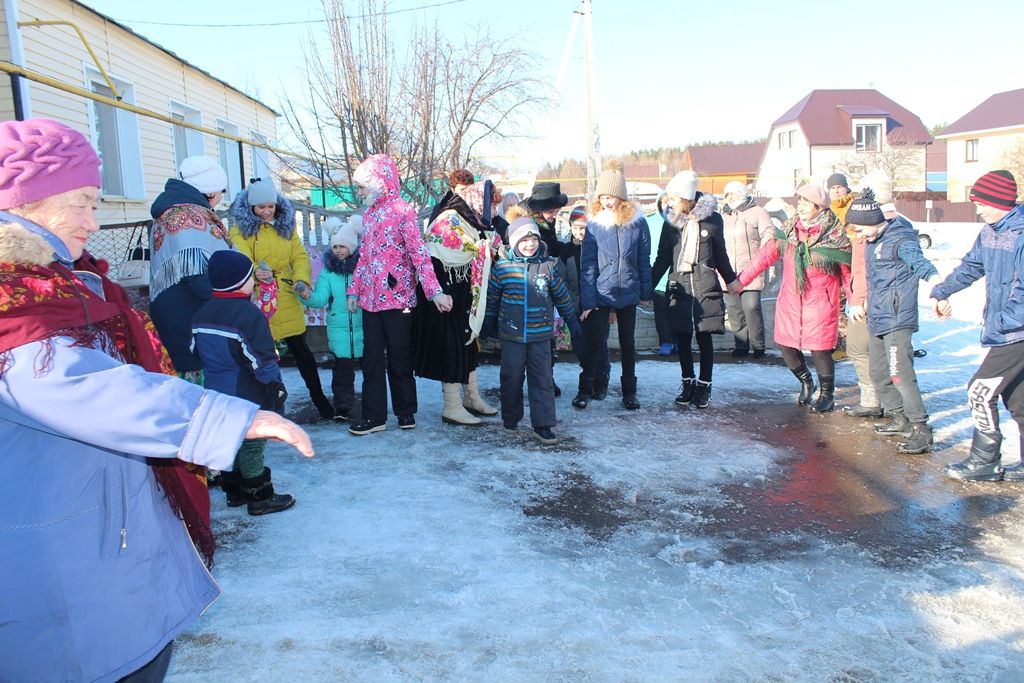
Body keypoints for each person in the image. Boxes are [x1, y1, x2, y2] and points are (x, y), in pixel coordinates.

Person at [0, 118, 313, 682]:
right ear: (28, 203)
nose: (93, 222)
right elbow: (82, 386)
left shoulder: (67, 283)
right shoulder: (16, 303)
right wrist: (227, 415)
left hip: (92, 526)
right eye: (81, 203)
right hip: (56, 554)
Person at [346, 154, 453, 435]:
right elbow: (364, 259)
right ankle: (374, 416)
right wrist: (353, 290)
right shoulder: (368, 216)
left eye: (362, 187)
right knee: (371, 359)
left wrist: (435, 292)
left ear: (378, 183)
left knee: (399, 357)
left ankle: (406, 411)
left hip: (398, 299)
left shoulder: (403, 211)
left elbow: (419, 253)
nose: (359, 194)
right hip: (370, 301)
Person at [931, 170, 1024, 481]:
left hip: (1017, 332)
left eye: (982, 203)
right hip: (1006, 330)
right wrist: (943, 290)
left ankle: (984, 462)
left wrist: (1000, 322)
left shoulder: (1021, 234)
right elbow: (972, 266)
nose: (978, 209)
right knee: (1017, 398)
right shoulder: (989, 232)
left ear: (1000, 201)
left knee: (979, 391)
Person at [729, 183, 852, 412]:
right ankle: (806, 381)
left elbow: (847, 273)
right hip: (791, 300)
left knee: (820, 350)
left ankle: (827, 394)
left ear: (819, 207)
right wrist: (740, 281)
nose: (802, 206)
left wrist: (858, 302)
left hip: (821, 301)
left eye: (807, 202)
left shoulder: (835, 236)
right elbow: (763, 257)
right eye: (800, 201)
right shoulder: (788, 231)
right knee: (786, 346)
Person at [192, 250, 297, 514]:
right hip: (247, 391)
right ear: (240, 281)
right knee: (252, 443)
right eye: (251, 276)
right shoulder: (247, 314)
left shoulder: (202, 312)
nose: (254, 281)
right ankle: (259, 497)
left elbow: (194, 350)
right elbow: (260, 359)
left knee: (233, 439)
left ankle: (234, 491)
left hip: (216, 391)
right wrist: (275, 387)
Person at [229, 178, 334, 420]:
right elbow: (241, 256)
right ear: (251, 208)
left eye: (271, 206)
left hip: (285, 294)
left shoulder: (285, 227)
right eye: (261, 207)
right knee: (263, 356)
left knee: (301, 350)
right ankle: (268, 406)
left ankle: (319, 399)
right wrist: (255, 271)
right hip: (258, 298)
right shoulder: (241, 229)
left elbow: (298, 255)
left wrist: (301, 280)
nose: (267, 211)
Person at [846, 189, 940, 454]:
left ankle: (921, 428)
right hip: (877, 315)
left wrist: (937, 285)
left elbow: (920, 263)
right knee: (878, 372)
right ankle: (899, 418)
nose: (857, 235)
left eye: (859, 229)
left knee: (901, 375)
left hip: (898, 318)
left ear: (873, 221)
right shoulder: (873, 242)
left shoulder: (901, 239)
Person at [484, 217, 581, 444]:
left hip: (540, 335)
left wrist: (572, 320)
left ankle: (543, 424)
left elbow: (562, 296)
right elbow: (492, 298)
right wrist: (488, 320)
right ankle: (511, 418)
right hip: (512, 335)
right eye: (525, 240)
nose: (530, 244)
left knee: (542, 380)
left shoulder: (548, 266)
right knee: (511, 378)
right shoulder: (503, 267)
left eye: (534, 239)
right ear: (515, 242)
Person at [415, 179, 501, 425]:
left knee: (468, 344)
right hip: (444, 296)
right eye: (492, 206)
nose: (494, 212)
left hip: (461, 293)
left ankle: (471, 398)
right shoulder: (450, 220)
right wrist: (483, 248)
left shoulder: (469, 222)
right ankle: (451, 405)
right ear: (477, 202)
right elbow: (443, 253)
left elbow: (476, 248)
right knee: (451, 347)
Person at [652, 171, 737, 408]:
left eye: (673, 198)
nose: (669, 203)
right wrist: (646, 286)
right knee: (682, 335)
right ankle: (688, 383)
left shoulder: (713, 220)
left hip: (705, 287)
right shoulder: (671, 223)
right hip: (680, 287)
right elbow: (662, 258)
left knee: (704, 337)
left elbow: (721, 256)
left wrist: (731, 280)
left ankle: (704, 385)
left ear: (686, 198)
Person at [574, 160, 653, 410]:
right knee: (595, 343)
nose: (608, 201)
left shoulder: (638, 224)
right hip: (601, 293)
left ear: (622, 196)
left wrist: (645, 293)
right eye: (604, 196)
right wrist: (588, 301)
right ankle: (584, 389)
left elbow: (643, 260)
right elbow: (587, 266)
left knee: (628, 343)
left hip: (628, 291)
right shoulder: (595, 225)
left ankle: (630, 392)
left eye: (613, 196)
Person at [149, 154, 234, 381]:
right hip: (190, 318)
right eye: (221, 192)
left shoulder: (172, 209)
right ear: (211, 192)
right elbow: (198, 274)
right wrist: (231, 306)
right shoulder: (187, 216)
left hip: (177, 312)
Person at [299, 216, 363, 421]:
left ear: (352, 246)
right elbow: (320, 299)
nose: (338, 250)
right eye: (335, 246)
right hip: (338, 329)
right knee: (343, 372)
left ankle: (373, 404)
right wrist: (306, 296)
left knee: (372, 371)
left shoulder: (363, 269)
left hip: (364, 327)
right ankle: (343, 408)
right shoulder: (328, 272)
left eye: (343, 246)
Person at [524, 181, 571, 396]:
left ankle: (547, 379)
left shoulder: (544, 224)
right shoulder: (532, 227)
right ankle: (544, 381)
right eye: (552, 211)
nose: (555, 215)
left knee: (547, 339)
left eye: (556, 211)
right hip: (535, 289)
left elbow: (552, 249)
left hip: (545, 288)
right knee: (541, 341)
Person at [561, 204, 612, 399]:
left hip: (599, 307)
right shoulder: (566, 251)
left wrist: (611, 309)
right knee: (581, 346)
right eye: (576, 227)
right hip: (575, 308)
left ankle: (601, 380)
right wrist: (568, 305)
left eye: (584, 227)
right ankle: (589, 375)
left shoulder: (602, 249)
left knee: (599, 345)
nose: (580, 232)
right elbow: (562, 281)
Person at [721, 180, 774, 359]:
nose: (731, 198)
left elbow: (768, 234)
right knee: (735, 310)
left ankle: (759, 346)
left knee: (751, 307)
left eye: (734, 194)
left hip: (751, 269)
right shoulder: (723, 216)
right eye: (727, 195)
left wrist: (763, 255)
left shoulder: (757, 212)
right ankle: (741, 345)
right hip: (728, 271)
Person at [828, 173, 855, 362]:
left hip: (854, 263)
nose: (837, 190)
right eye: (832, 188)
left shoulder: (855, 205)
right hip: (834, 265)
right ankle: (840, 344)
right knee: (837, 305)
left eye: (839, 186)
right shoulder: (826, 209)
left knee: (860, 304)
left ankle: (865, 343)